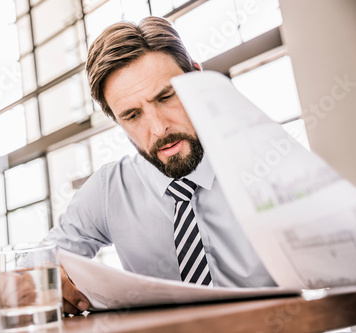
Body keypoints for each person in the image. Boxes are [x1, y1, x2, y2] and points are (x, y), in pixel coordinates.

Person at [44, 16, 276, 314]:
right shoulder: (109, 189)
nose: (158, 129)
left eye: (166, 96)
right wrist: (44, 280)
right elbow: (37, 265)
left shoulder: (265, 163)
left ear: (196, 78)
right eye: (132, 115)